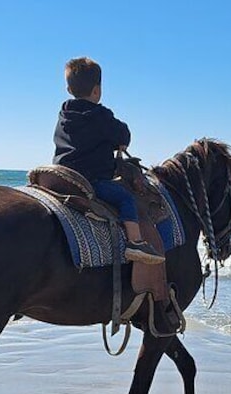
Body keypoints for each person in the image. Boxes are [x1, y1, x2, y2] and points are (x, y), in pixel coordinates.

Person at [53, 57, 165, 265]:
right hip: (91, 179)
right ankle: (135, 243)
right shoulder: (101, 115)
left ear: (69, 90)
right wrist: (119, 142)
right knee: (126, 199)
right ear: (97, 90)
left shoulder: (64, 114)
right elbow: (123, 135)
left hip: (63, 175)